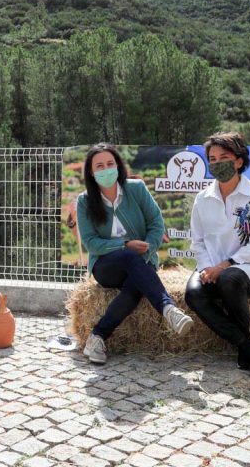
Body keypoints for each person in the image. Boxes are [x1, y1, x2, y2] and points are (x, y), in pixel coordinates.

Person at [76, 143, 194, 364]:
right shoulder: (85, 201)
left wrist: (147, 251)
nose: (106, 169)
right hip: (106, 266)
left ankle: (97, 336)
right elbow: (91, 243)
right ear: (91, 172)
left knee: (135, 289)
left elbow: (157, 225)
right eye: (99, 166)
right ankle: (167, 307)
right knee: (129, 256)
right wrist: (125, 245)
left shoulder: (137, 189)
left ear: (119, 166)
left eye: (110, 164)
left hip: (142, 260)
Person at [185, 132, 250, 375]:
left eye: (224, 157)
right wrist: (206, 268)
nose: (217, 163)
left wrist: (224, 266)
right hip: (211, 268)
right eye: (212, 159)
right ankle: (249, 347)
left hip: (248, 269)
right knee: (193, 294)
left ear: (239, 160)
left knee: (229, 278)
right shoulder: (202, 198)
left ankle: (248, 349)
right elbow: (197, 241)